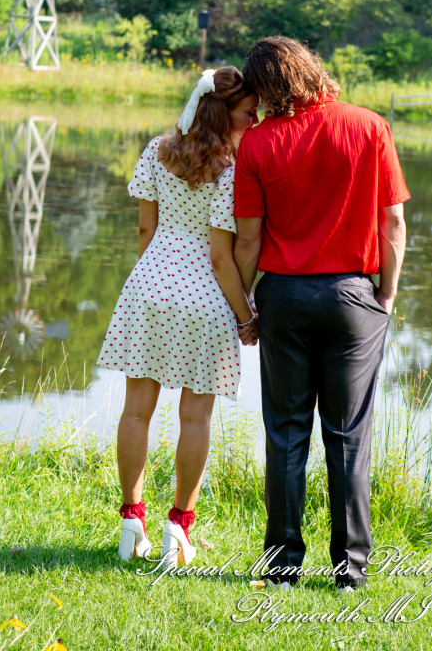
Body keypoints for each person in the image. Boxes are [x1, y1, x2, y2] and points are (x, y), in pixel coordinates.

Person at [233, 37, 410, 591]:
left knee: (285, 435)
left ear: (264, 89)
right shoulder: (369, 126)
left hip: (284, 297)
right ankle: (350, 572)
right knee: (348, 436)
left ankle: (283, 567)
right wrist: (387, 294)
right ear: (310, 68)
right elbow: (394, 226)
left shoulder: (257, 143)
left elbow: (248, 239)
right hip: (354, 298)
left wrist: (247, 305)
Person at [97, 66, 259, 566]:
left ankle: (130, 521)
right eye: (248, 112)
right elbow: (220, 257)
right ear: (224, 112)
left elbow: (145, 232)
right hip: (205, 298)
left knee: (135, 411)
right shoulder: (233, 168)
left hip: (148, 287)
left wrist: (152, 278)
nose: (255, 119)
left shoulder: (157, 150)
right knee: (195, 416)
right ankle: (178, 530)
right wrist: (246, 316)